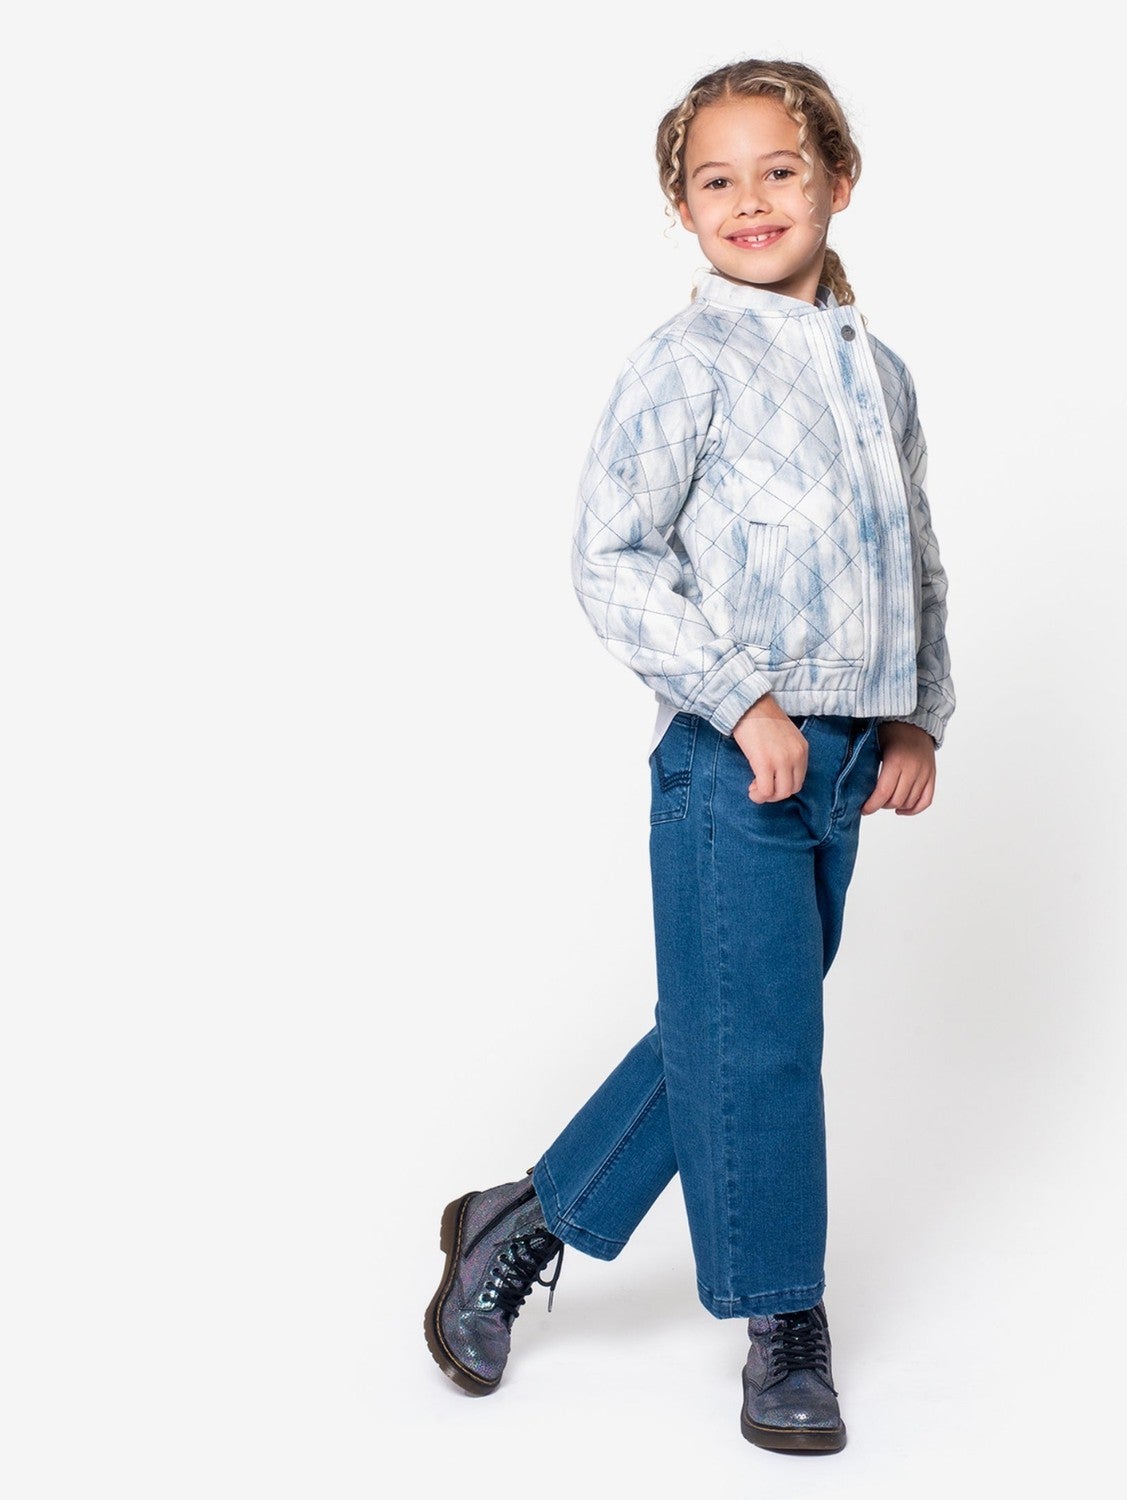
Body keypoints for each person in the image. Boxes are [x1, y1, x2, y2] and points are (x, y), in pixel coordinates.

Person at [424, 57, 955, 1454]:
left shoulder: (879, 375)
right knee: (762, 1042)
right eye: (718, 179)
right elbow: (612, 558)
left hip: (846, 759)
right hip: (735, 760)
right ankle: (785, 1320)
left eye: (781, 170)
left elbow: (912, 553)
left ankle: (520, 1217)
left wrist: (917, 713)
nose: (752, 199)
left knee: (734, 1027)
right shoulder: (686, 363)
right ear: (681, 207)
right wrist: (742, 702)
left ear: (839, 181)